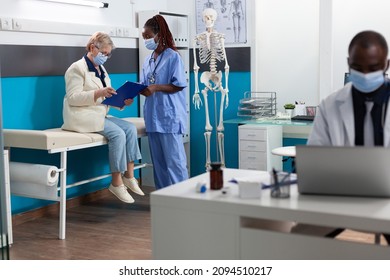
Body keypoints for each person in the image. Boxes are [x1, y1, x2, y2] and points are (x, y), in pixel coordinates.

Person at [306, 30, 390, 243]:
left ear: (386, 65)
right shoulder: (330, 105)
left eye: (373, 69)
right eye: (357, 68)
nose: (365, 74)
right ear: (348, 64)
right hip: (341, 199)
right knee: (301, 240)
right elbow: (316, 160)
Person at [62, 31, 143, 203]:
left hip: (98, 113)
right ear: (93, 47)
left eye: (108, 54)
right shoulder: (76, 68)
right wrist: (98, 92)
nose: (105, 56)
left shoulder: (102, 70)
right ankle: (116, 182)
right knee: (118, 134)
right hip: (81, 116)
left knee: (129, 129)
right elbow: (73, 98)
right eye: (103, 53)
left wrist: (122, 101)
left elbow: (107, 97)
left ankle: (130, 175)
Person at [139, 15, 188, 189]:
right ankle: (163, 200)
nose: (146, 40)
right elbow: (145, 85)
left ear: (158, 35)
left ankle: (182, 199)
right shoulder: (148, 60)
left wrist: (156, 88)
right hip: (153, 118)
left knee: (174, 163)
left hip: (169, 118)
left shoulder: (173, 57)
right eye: (144, 37)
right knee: (158, 165)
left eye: (148, 36)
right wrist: (134, 92)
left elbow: (179, 85)